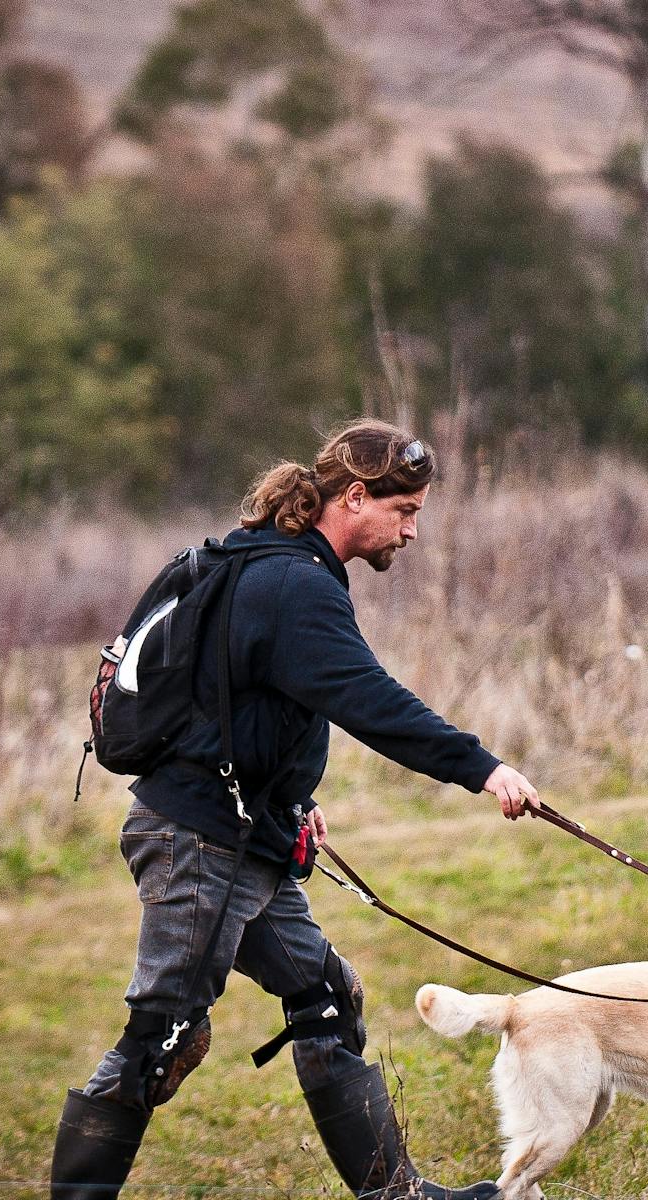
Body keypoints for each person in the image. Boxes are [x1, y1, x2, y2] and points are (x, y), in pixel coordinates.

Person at [50, 419, 539, 1200]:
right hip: (198, 844)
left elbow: (250, 703)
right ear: (354, 498)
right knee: (163, 1035)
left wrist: (292, 802)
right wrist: (482, 768)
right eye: (404, 510)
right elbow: (367, 700)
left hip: (243, 839)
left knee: (326, 996)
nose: (412, 531)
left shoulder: (273, 564)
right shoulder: (297, 583)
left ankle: (395, 1195)